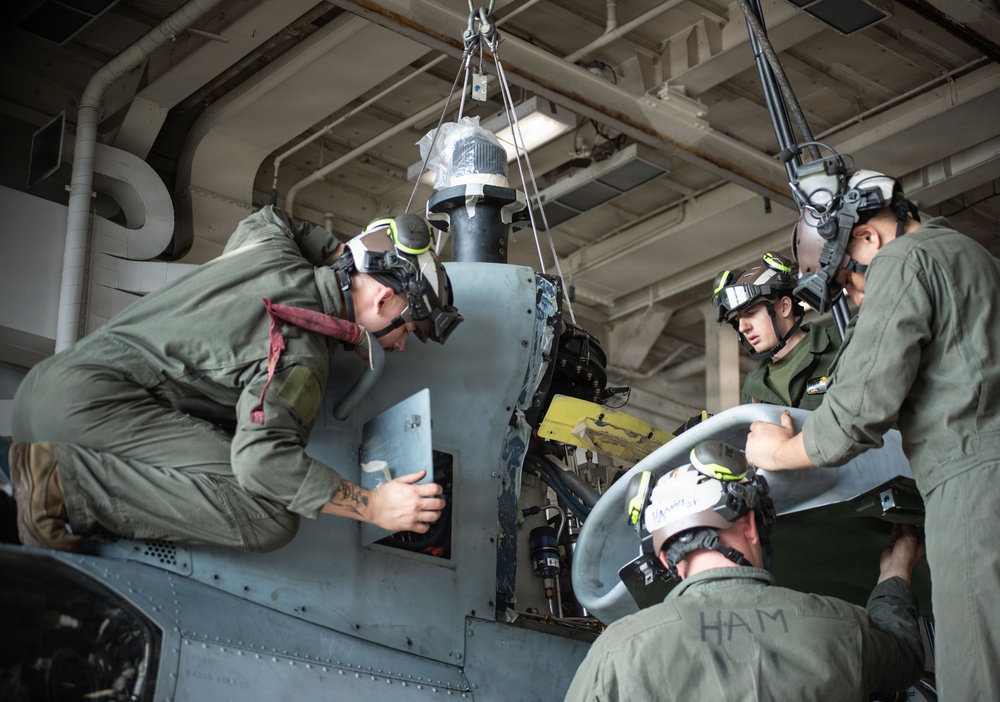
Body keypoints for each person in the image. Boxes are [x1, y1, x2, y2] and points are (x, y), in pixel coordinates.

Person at [8, 206, 463, 553]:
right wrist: (374, 505)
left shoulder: (270, 249)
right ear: (383, 298)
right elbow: (261, 463)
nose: (400, 344)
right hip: (81, 420)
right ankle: (68, 485)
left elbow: (272, 217)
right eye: (407, 328)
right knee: (270, 518)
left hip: (42, 391)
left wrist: (341, 253)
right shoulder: (301, 352)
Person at [745, 166, 1000, 700]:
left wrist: (783, 450)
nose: (856, 299)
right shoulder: (975, 258)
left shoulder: (904, 261)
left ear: (867, 237)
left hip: (975, 488)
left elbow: (858, 413)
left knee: (978, 672)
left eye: (848, 281)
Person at [564, 442, 926, 702]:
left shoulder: (616, 653)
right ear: (751, 526)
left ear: (663, 558)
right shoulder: (842, 626)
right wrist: (897, 569)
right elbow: (905, 656)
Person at [712, 251, 840, 409]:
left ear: (785, 307)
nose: (743, 327)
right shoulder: (753, 388)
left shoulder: (840, 343)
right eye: (737, 320)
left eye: (751, 313)